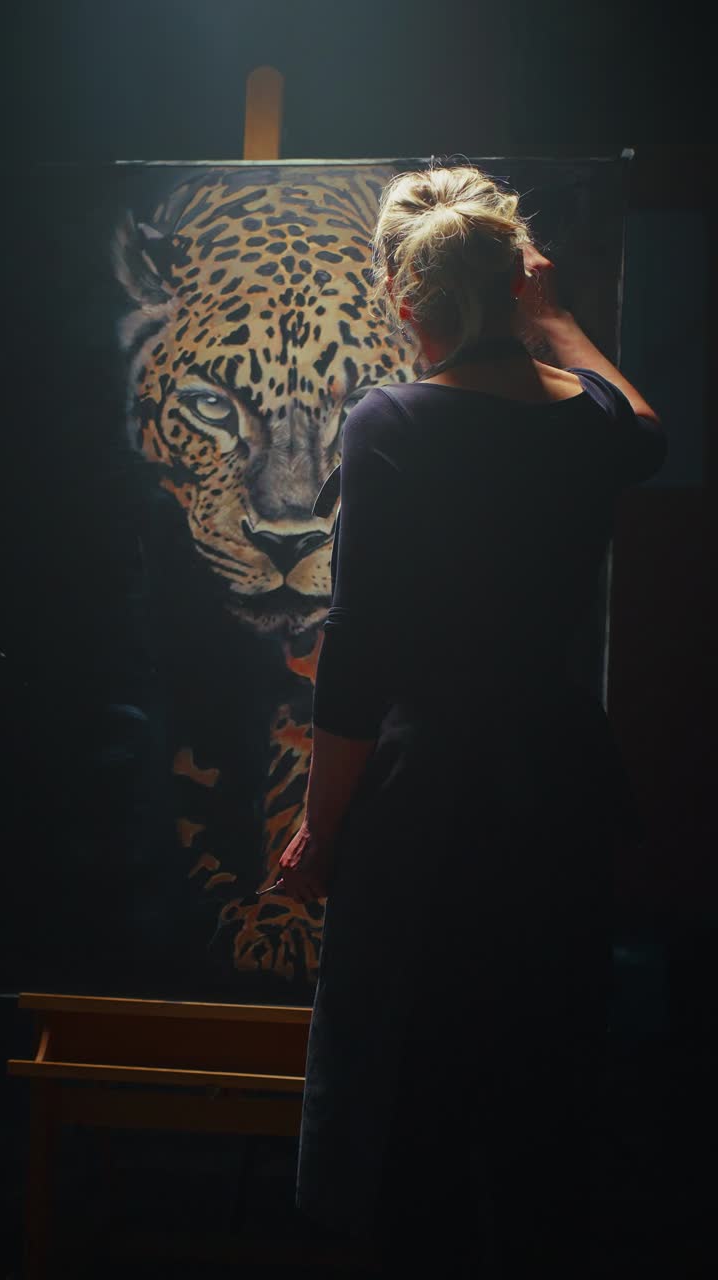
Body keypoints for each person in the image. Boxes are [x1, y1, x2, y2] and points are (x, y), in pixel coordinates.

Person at [276, 164, 666, 1277]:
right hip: (559, 792)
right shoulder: (585, 418)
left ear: (407, 300)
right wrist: (557, 321)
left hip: (428, 803)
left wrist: (322, 825)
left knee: (410, 1098)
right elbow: (646, 427)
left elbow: (357, 653)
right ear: (512, 281)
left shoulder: (392, 420)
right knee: (541, 1095)